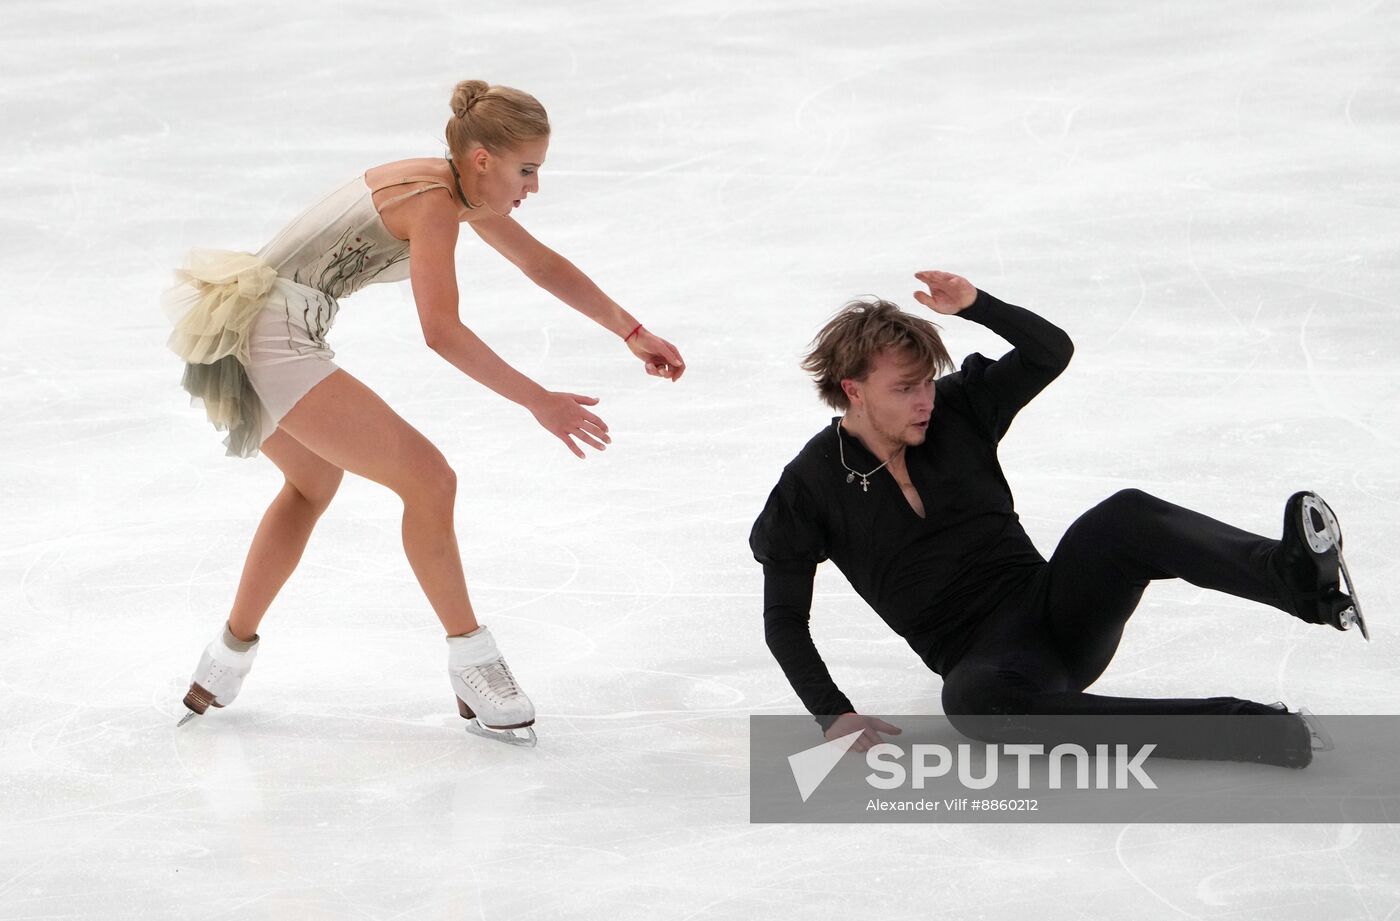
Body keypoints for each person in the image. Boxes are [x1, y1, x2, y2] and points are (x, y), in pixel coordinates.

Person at [166, 80, 686, 746]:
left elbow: (539, 262)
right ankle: (474, 659)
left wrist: (630, 329)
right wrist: (540, 401)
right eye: (527, 170)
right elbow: (441, 331)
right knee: (430, 480)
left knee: (311, 484)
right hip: (271, 334)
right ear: (482, 161)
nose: (533, 187)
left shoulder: (447, 187)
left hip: (249, 327)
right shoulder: (435, 205)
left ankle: (224, 659)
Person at [749, 269, 1365, 767]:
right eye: (905, 388)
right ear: (853, 389)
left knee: (1123, 517)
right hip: (992, 665)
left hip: (1058, 610)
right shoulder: (810, 486)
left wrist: (976, 306)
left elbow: (1050, 352)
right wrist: (831, 712)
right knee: (971, 702)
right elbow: (784, 619)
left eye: (928, 383)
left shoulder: (958, 410)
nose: (924, 400)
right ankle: (1251, 732)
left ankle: (1292, 578)